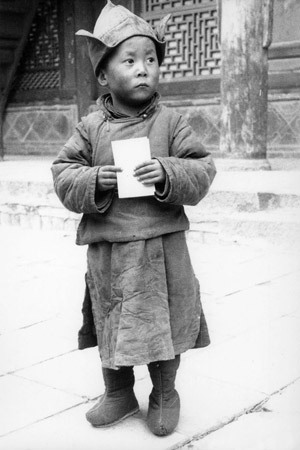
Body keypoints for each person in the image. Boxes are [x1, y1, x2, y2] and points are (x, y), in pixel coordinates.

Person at [51, 0, 216, 437]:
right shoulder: (90, 128)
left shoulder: (172, 122)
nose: (144, 68)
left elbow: (202, 169)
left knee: (162, 320)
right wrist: (94, 179)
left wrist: (168, 170)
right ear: (104, 75)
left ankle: (165, 394)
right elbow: (62, 174)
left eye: (150, 59)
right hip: (109, 248)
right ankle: (119, 392)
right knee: (112, 320)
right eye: (130, 60)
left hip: (162, 246)